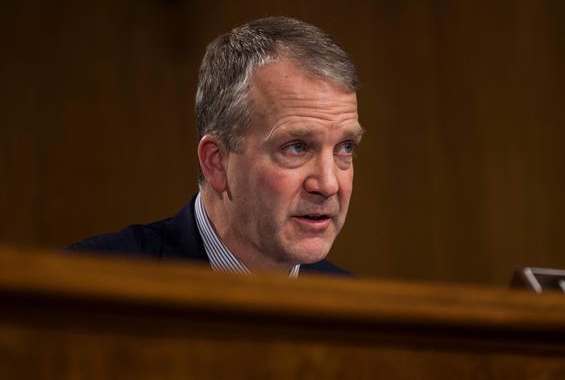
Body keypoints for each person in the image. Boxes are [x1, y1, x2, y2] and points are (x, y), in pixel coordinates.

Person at [68, 17, 363, 277]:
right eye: (297, 147)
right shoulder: (94, 281)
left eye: (345, 147)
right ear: (216, 162)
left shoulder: (357, 311)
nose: (328, 184)